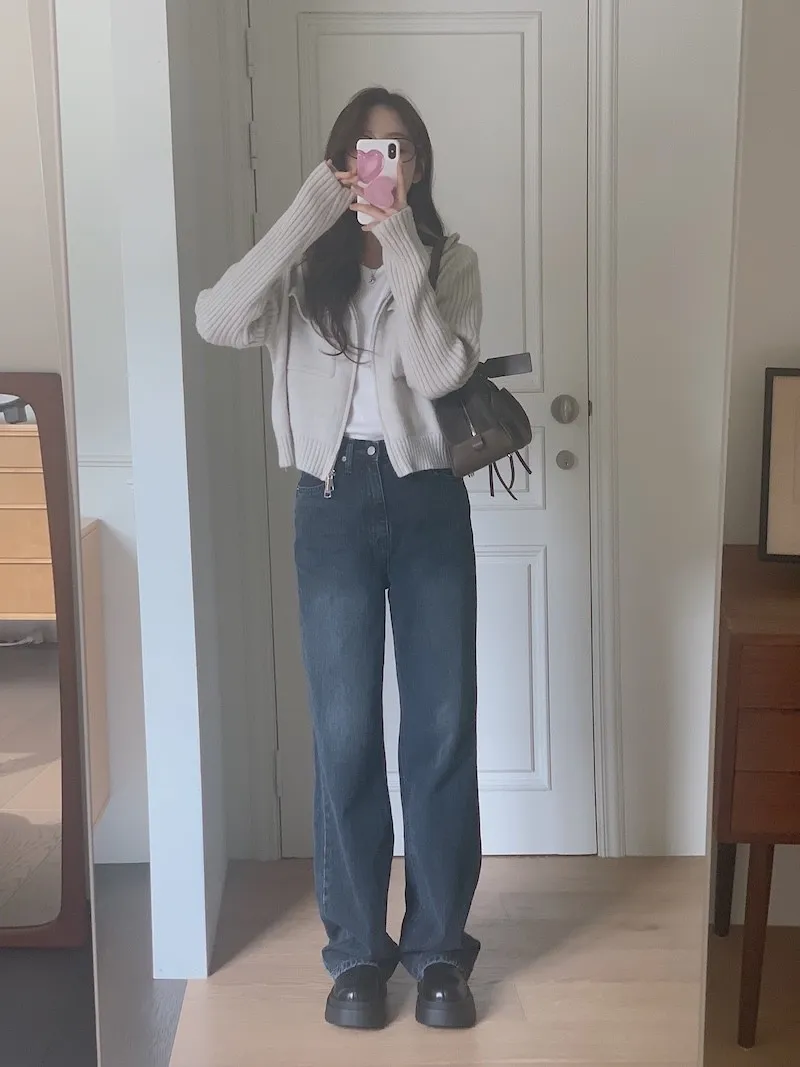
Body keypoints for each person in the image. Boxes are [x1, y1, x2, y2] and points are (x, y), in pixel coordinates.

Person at [196, 87, 482, 1031]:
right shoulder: (302, 271)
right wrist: (307, 214)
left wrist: (401, 249)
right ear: (339, 163)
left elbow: (439, 372)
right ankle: (357, 951)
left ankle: (439, 953)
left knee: (439, 730)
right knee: (345, 732)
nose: (380, 163)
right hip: (329, 503)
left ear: (418, 164)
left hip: (427, 499)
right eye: (365, 149)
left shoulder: (449, 260)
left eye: (397, 149)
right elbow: (217, 319)